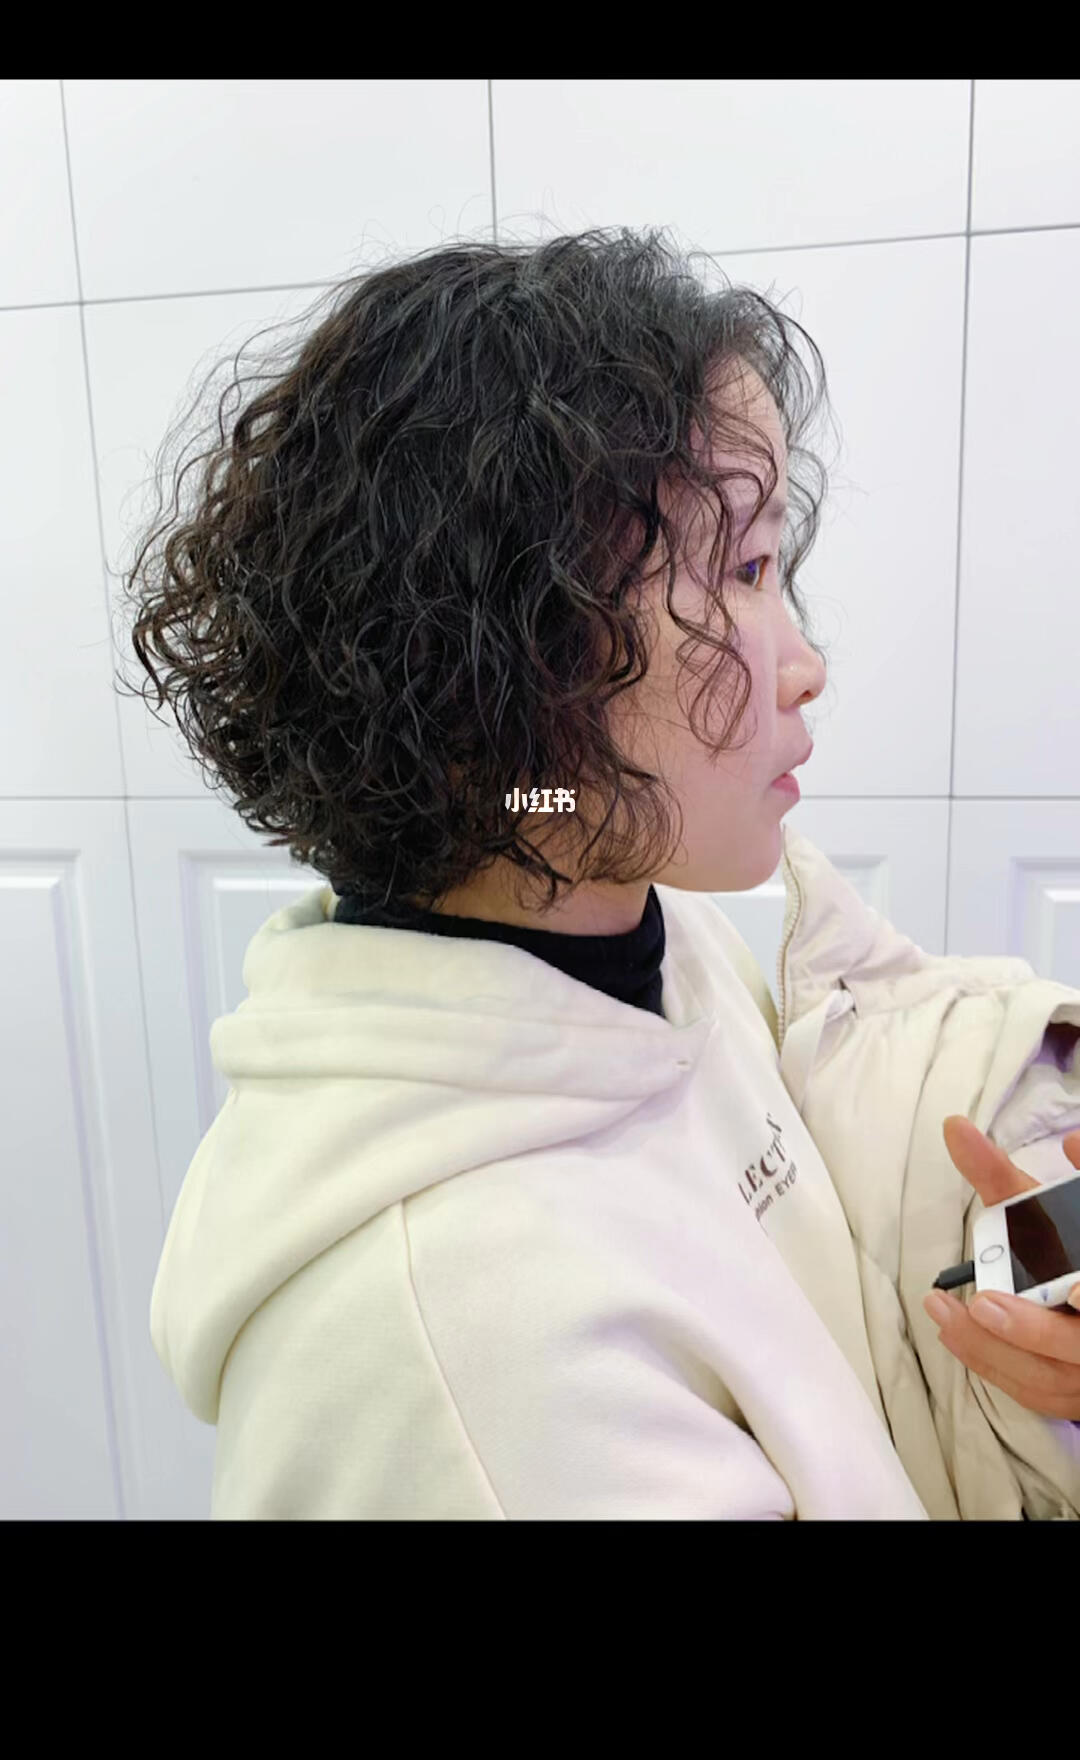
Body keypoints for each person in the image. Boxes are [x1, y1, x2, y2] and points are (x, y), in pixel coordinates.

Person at [123, 227, 1076, 1519]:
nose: (805, 667)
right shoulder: (478, 1362)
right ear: (510, 672)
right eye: (745, 572)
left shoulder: (649, 937)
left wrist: (1038, 1284)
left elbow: (816, 1296)